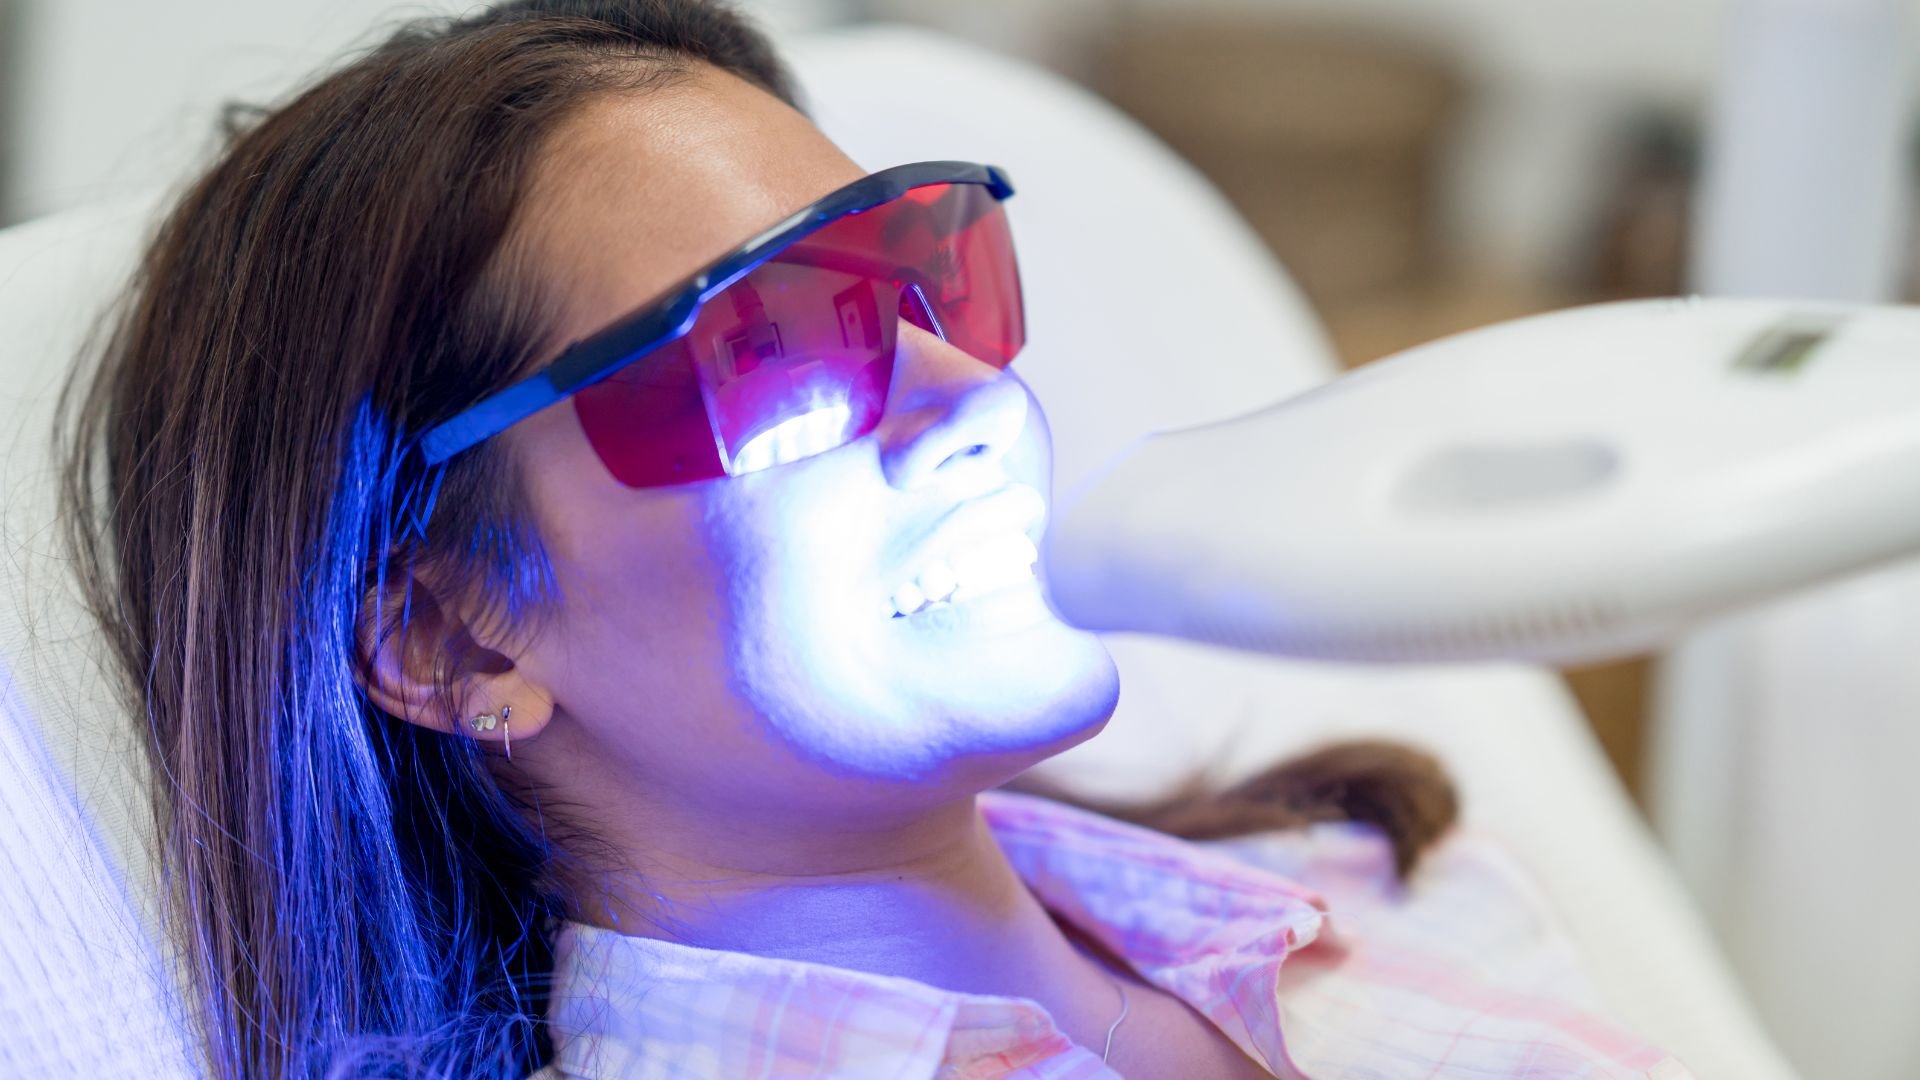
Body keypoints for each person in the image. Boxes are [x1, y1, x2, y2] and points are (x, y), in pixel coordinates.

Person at [58, 2, 1686, 1077]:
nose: (970, 393)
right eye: (771, 353)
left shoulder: (1355, 875)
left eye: (933, 275)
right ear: (456, 633)